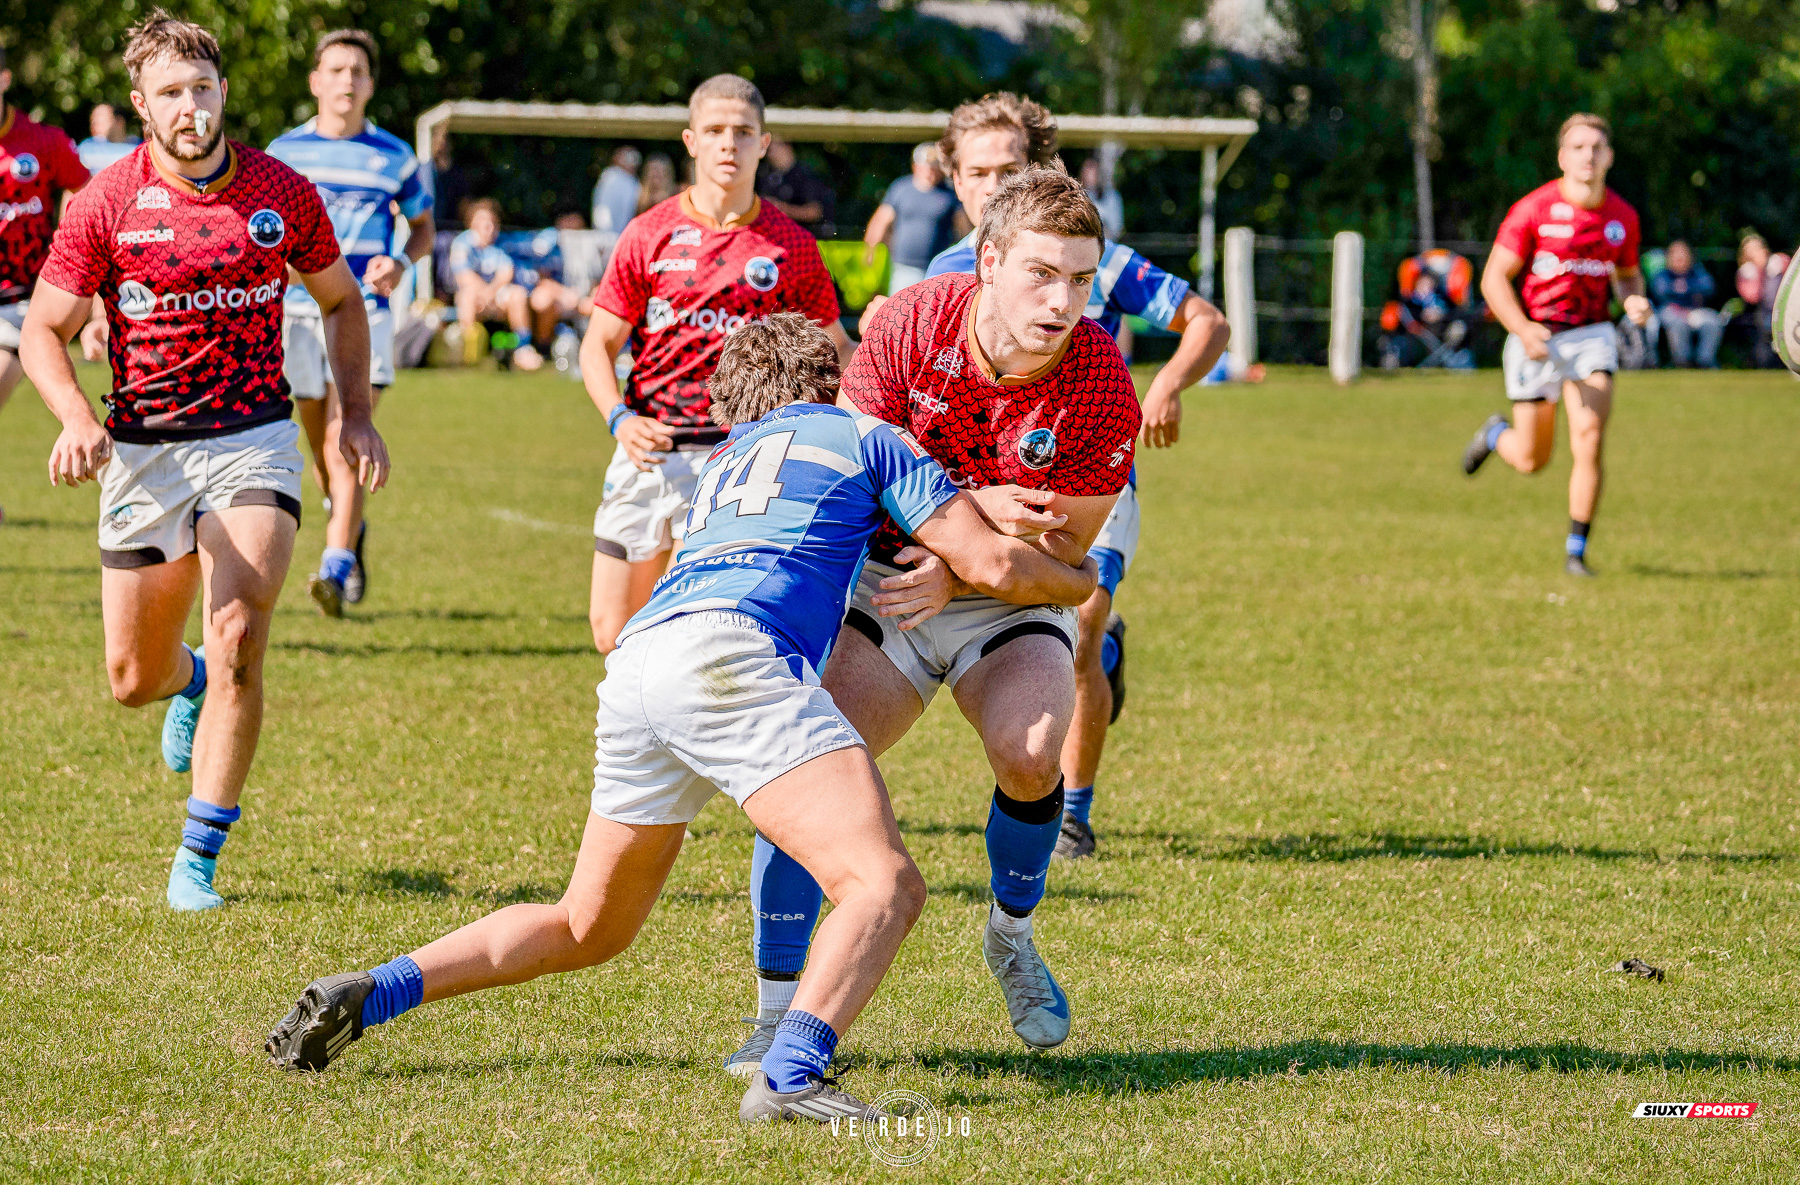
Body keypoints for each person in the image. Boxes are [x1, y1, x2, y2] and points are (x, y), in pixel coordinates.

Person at [265, 312, 1098, 1123]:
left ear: (733, 409)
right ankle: (791, 1073)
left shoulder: (728, 463)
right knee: (884, 885)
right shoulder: (865, 434)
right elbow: (987, 558)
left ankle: (373, 990)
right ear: (835, 381)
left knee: (586, 923)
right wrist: (1077, 584)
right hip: (735, 656)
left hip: (641, 663)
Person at [723, 167, 1145, 1079]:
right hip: (886, 586)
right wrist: (981, 507)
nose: (1062, 300)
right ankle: (770, 1013)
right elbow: (847, 481)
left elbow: (1067, 570)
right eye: (1041, 273)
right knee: (808, 765)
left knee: (1035, 748)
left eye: (1081, 279)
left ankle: (1010, 937)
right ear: (988, 261)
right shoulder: (912, 322)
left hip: (1004, 601)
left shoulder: (1105, 379)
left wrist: (960, 559)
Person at [19, 10, 388, 912]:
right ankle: (180, 682)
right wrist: (74, 415)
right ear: (142, 106)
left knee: (240, 634)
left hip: (251, 436)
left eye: (204, 88)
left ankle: (198, 853)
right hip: (143, 449)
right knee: (132, 679)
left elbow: (341, 303)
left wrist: (358, 414)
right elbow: (42, 330)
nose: (192, 107)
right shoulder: (105, 202)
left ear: (224, 91)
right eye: (172, 94)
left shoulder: (281, 192)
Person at [892, 92, 1229, 862]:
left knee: (1078, 624)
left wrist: (1168, 384)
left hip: (1085, 478)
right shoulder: (946, 277)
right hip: (973, 489)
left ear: (1038, 170)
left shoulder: (1099, 261)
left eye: (1010, 168)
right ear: (952, 179)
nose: (992, 186)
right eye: (977, 172)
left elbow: (1205, 320)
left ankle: (1072, 813)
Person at [577, 74, 852, 655]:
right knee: (612, 633)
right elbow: (597, 345)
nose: (729, 143)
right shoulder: (648, 234)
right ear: (691, 141)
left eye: (743, 132)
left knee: (694, 637)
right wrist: (619, 420)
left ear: (763, 142)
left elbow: (835, 351)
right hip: (647, 450)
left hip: (739, 461)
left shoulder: (791, 246)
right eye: (715, 131)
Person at [267, 29, 434, 617]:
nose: (346, 81)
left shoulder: (396, 157)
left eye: (357, 71)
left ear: (370, 84)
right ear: (315, 81)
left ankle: (334, 565)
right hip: (294, 316)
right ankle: (352, 530)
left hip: (366, 313)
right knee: (323, 457)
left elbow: (424, 227)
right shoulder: (281, 154)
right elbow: (261, 232)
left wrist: (403, 260)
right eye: (335, 70)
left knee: (347, 440)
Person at [1462, 112, 1650, 578]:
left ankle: (1576, 551)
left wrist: (1634, 303)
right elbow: (1493, 280)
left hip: (1592, 335)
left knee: (1589, 438)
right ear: (1563, 156)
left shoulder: (1622, 217)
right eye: (1579, 146)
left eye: (1596, 147)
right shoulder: (1533, 210)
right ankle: (1494, 435)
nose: (1588, 155)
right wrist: (1523, 330)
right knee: (1532, 459)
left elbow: (1627, 277)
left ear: (1609, 156)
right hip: (1538, 337)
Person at [0, 45, 90, 528]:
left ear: (5, 77)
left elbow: (83, 188)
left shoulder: (43, 141)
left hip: (21, 304)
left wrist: (68, 240)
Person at [449, 198, 543, 370]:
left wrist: (490, 293)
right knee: (467, 298)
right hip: (475, 296)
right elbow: (463, 276)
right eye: (485, 223)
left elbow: (506, 273)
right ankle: (469, 352)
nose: (490, 228)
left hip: (496, 295)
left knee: (517, 294)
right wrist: (485, 293)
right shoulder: (462, 243)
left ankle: (523, 349)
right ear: (473, 224)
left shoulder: (502, 244)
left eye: (493, 223)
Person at [862, 143, 960, 294]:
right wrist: (870, 252)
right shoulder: (901, 189)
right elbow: (880, 221)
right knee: (902, 312)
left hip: (938, 269)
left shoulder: (950, 195)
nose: (930, 172)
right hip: (904, 269)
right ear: (916, 167)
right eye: (926, 167)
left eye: (934, 167)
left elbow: (963, 228)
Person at [1649, 240, 1721, 368]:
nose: (1680, 259)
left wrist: (1684, 289)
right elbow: (1660, 292)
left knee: (1712, 321)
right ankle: (1682, 362)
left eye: (1683, 255)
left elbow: (1708, 288)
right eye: (1676, 256)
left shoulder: (1697, 272)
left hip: (1693, 311)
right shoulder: (1663, 274)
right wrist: (1690, 292)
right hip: (1670, 311)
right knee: (1678, 323)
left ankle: (1704, 362)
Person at [758, 138, 835, 238]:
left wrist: (781, 209)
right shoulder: (766, 175)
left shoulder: (804, 175)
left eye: (773, 147)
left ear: (788, 146)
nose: (769, 153)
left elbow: (815, 212)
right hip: (778, 238)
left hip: (805, 238)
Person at [1737, 235, 1790, 369]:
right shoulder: (1747, 272)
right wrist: (1760, 271)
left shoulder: (1779, 261)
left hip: (1788, 310)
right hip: (1765, 314)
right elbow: (1753, 297)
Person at [77, 102, 140, 175]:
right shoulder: (85, 149)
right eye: (93, 121)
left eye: (102, 121)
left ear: (119, 121)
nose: (95, 125)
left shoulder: (138, 147)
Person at [591, 145, 641, 235]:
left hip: (625, 234)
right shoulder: (611, 177)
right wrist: (604, 233)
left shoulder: (633, 181)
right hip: (610, 235)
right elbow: (603, 209)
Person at [1079, 155, 1124, 241]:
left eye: (1092, 170)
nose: (1088, 175)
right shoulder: (1076, 195)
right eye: (1086, 170)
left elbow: (1116, 229)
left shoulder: (1112, 197)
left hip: (1107, 242)